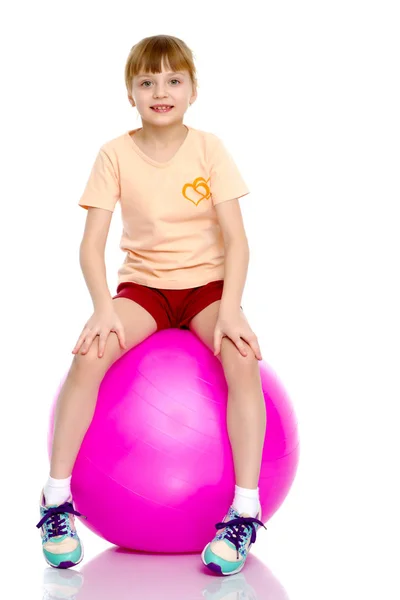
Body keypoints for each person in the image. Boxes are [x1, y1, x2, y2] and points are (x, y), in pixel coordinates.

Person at [36, 34, 267, 576]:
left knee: (243, 363)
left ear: (192, 90)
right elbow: (91, 244)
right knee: (87, 359)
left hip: (207, 289)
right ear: (130, 93)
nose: (160, 91)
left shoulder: (209, 148)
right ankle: (55, 500)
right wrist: (102, 308)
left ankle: (244, 511)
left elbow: (237, 239)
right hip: (144, 290)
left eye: (173, 80)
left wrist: (231, 309)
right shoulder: (114, 153)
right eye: (147, 82)